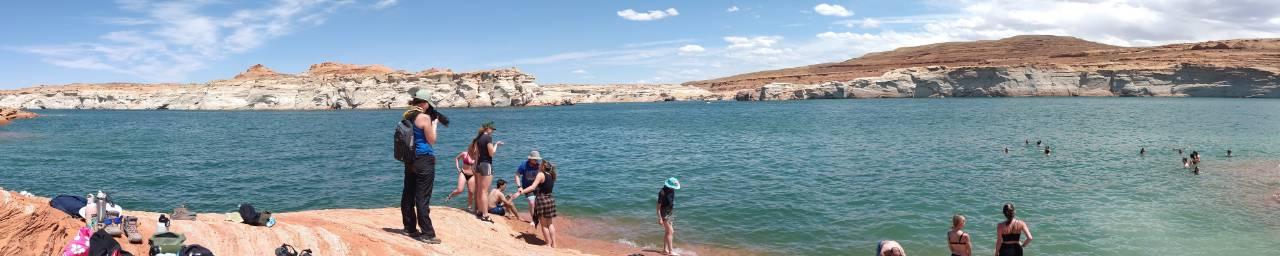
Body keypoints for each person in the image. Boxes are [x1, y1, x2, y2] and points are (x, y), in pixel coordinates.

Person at [400, 87, 448, 244]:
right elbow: (432, 140)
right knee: (422, 197)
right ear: (425, 103)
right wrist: (434, 125)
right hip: (423, 159)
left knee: (408, 194)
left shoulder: (406, 115)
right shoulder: (424, 118)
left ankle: (409, 228)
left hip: (409, 159)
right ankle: (427, 233)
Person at [513, 160, 558, 248]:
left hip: (542, 199)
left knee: (544, 225)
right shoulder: (552, 175)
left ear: (543, 166)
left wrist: (521, 192)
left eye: (540, 164)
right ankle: (554, 244)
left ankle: (548, 244)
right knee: (550, 224)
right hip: (550, 199)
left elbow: (533, 187)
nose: (539, 165)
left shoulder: (541, 174)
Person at [472, 121, 502, 221]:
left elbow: (476, 154)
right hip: (486, 164)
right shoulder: (488, 138)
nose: (492, 131)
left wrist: (475, 165)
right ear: (487, 129)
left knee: (480, 189)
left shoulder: (478, 138)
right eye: (492, 129)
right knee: (484, 191)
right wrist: (496, 145)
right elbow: (492, 153)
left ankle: (480, 210)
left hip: (479, 165)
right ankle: (485, 214)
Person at [445, 142, 478, 210]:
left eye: (476, 148)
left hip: (472, 175)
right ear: (471, 148)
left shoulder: (477, 156)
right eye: (474, 148)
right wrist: (458, 167)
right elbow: (457, 158)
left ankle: (469, 207)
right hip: (463, 173)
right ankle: (450, 195)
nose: (475, 149)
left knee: (471, 192)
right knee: (460, 190)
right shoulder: (464, 154)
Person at [515, 150, 543, 224]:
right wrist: (519, 186)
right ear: (530, 159)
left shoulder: (539, 166)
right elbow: (517, 175)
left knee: (538, 203)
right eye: (535, 159)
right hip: (527, 188)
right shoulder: (523, 165)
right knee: (531, 202)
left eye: (537, 159)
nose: (536, 161)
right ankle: (534, 219)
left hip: (538, 187)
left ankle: (539, 217)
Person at [657, 177, 681, 256]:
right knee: (671, 231)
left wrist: (671, 212)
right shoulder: (662, 192)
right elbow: (658, 207)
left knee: (668, 232)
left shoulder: (671, 190)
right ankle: (671, 252)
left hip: (670, 212)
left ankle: (665, 250)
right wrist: (660, 218)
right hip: (664, 212)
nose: (674, 188)